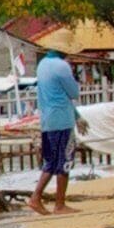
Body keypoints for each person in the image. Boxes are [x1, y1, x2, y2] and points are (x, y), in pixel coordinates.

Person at [30, 44, 79, 213]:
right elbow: (73, 93)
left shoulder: (42, 64)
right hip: (62, 119)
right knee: (65, 161)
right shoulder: (62, 66)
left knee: (50, 162)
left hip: (47, 120)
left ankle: (36, 197)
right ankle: (59, 204)